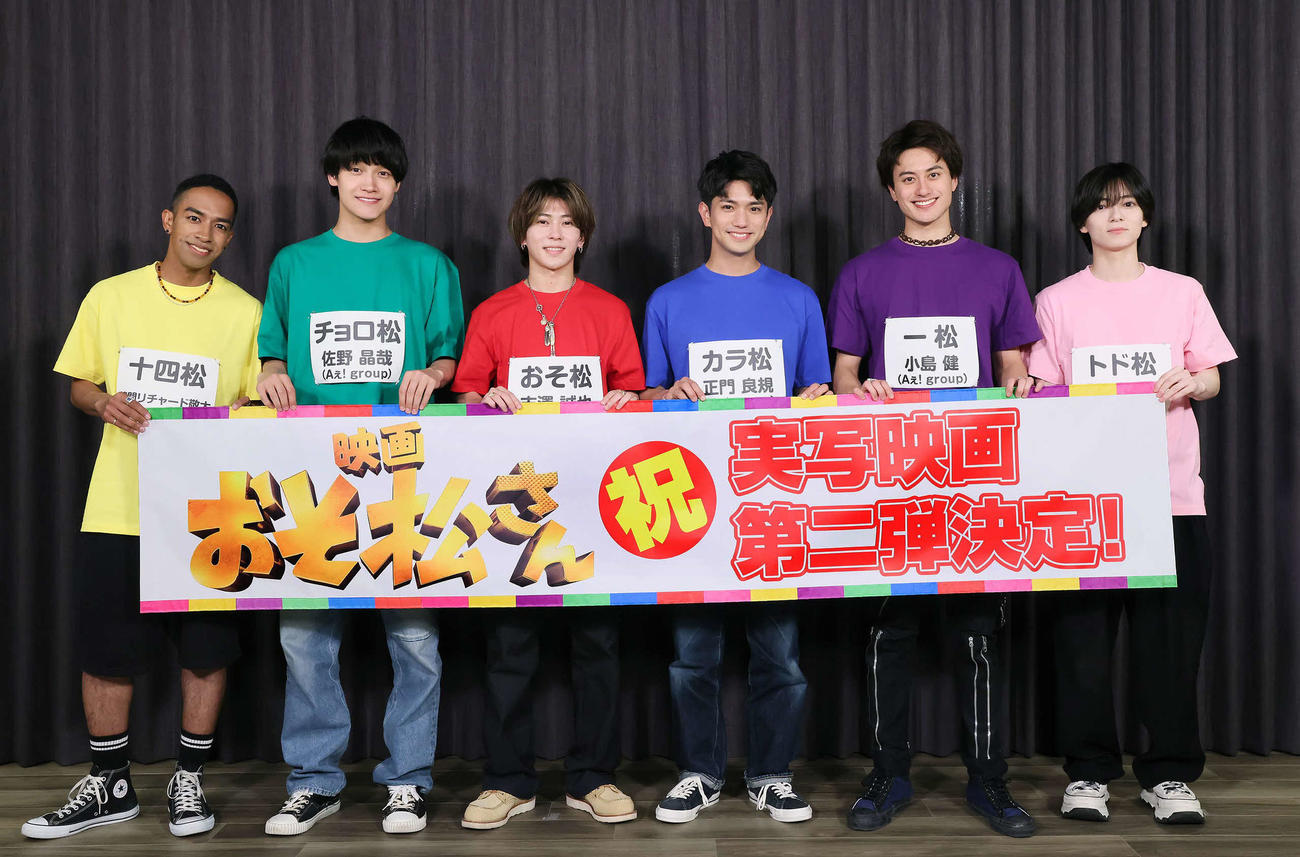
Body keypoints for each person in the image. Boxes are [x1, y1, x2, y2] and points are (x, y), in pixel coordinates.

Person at [25, 175, 262, 840]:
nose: (205, 233)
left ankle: (190, 779)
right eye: (194, 217)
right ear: (167, 219)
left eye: (220, 225)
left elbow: (258, 400)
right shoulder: (112, 295)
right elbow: (79, 382)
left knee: (205, 651)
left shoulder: (246, 311)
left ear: (230, 237)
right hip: (118, 504)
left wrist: (241, 412)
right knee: (106, 650)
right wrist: (104, 402)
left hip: (211, 509)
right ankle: (110, 782)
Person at [827, 120, 1041, 838]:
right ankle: (887, 775)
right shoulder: (861, 272)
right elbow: (843, 375)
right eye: (907, 178)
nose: (922, 188)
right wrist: (863, 391)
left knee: (979, 635)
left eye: (934, 174)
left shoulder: (998, 268)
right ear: (892, 191)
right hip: (889, 478)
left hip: (976, 477)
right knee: (890, 632)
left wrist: (1020, 385)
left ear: (954, 180)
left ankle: (990, 781)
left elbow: (1012, 365)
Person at [256, 117, 464, 836]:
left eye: (383, 172)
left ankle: (408, 780)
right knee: (304, 634)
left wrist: (433, 374)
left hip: (403, 468)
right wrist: (273, 372)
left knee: (415, 637)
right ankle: (313, 780)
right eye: (356, 170)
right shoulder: (293, 263)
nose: (370, 183)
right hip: (314, 472)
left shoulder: (428, 264)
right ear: (333, 177)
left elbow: (448, 356)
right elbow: (273, 350)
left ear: (397, 185)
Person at [1027, 162, 1235, 825]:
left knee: (1169, 645)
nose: (1115, 215)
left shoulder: (1182, 291)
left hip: (1170, 496)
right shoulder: (1056, 300)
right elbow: (1041, 388)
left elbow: (1211, 377)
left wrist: (1191, 382)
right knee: (1083, 645)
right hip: (1083, 500)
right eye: (1101, 205)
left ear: (1145, 216)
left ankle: (1169, 774)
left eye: (1127, 204)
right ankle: (1088, 773)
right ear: (1082, 222)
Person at [643, 150, 830, 825]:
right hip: (691, 502)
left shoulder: (798, 298)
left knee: (779, 654)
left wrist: (816, 399)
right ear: (705, 213)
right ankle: (698, 772)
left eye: (755, 207)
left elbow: (818, 393)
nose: (741, 219)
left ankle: (772, 774)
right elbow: (645, 399)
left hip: (773, 500)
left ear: (769, 216)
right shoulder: (668, 301)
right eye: (728, 206)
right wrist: (669, 394)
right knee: (692, 655)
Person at [453, 177, 643, 829]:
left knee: (598, 644)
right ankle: (507, 780)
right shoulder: (493, 312)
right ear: (523, 234)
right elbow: (465, 396)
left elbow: (636, 394)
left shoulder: (610, 310)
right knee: (509, 645)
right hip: (514, 503)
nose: (555, 233)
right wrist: (482, 399)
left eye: (567, 222)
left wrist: (626, 399)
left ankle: (594, 776)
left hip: (592, 502)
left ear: (582, 237)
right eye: (542, 221)